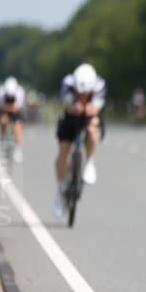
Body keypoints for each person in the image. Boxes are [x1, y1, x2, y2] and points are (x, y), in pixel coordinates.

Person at [52, 63, 106, 218]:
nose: (81, 95)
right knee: (63, 152)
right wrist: (73, 107)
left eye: (85, 93)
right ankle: (60, 190)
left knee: (93, 127)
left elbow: (96, 107)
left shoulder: (99, 84)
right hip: (70, 118)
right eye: (78, 92)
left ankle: (90, 161)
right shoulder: (67, 83)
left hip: (89, 118)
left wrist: (89, 109)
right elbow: (68, 105)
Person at [0, 76, 25, 163]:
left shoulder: (20, 92)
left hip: (15, 111)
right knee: (2, 122)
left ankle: (18, 150)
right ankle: (2, 146)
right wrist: (7, 108)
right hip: (3, 109)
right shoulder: (0, 92)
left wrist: (11, 108)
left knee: (17, 126)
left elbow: (18, 107)